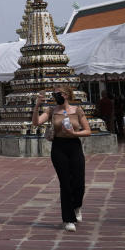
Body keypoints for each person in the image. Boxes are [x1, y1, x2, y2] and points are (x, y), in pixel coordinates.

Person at [32, 86, 91, 232]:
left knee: (78, 182)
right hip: (59, 148)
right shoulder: (52, 111)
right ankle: (68, 219)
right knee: (65, 183)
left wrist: (74, 133)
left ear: (65, 95)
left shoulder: (77, 110)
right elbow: (36, 123)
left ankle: (76, 206)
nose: (55, 96)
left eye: (57, 93)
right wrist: (37, 105)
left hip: (74, 145)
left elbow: (88, 131)